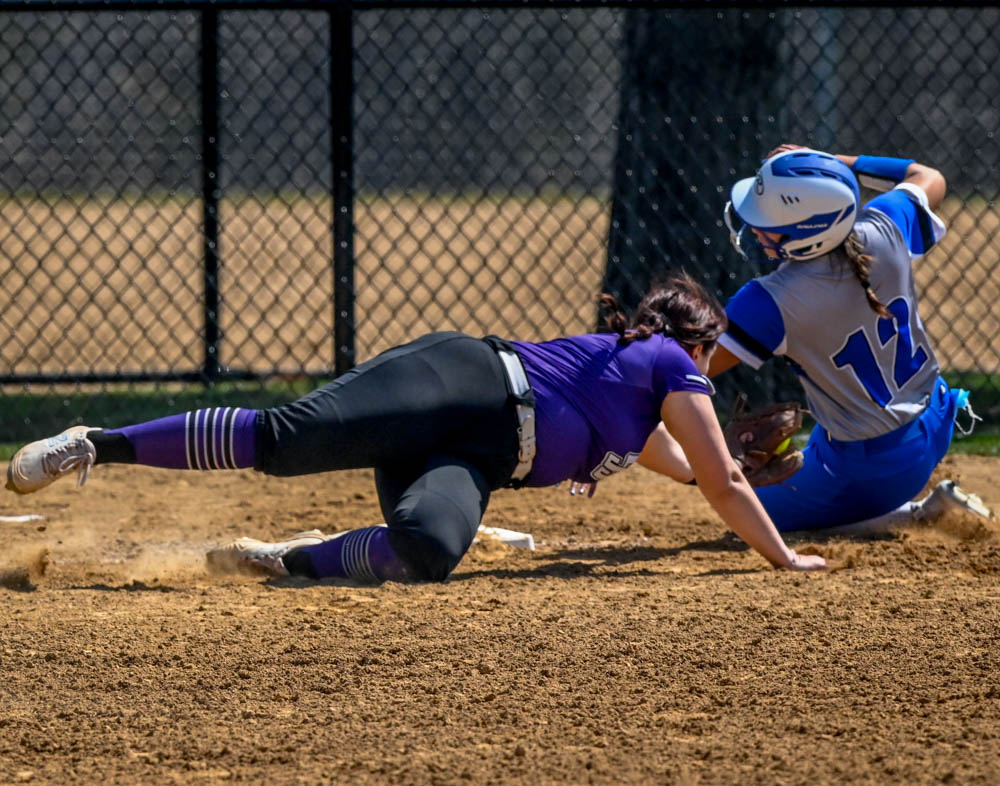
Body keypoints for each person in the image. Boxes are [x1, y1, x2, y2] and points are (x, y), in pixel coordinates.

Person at [5, 273, 826, 581]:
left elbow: (689, 467)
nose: (714, 368)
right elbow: (719, 479)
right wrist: (780, 554)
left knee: (429, 551)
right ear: (693, 339)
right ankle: (93, 444)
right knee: (286, 441)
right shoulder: (665, 362)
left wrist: (734, 474)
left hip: (476, 453)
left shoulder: (635, 405)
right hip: (463, 382)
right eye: (711, 349)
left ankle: (281, 560)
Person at [677, 145, 988, 533]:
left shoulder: (771, 300)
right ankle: (886, 496)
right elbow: (929, 176)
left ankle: (918, 514)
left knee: (746, 511)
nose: (755, 227)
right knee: (824, 441)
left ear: (807, 234)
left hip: (875, 468)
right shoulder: (883, 227)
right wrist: (837, 166)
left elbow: (684, 368)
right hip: (936, 415)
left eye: (768, 221)